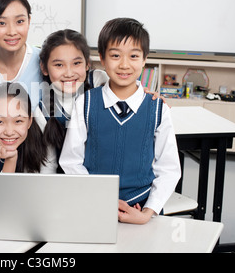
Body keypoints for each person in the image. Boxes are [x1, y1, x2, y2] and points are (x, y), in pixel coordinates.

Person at [59, 18, 181, 225]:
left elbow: (168, 169)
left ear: (144, 60)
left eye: (134, 56)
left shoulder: (158, 109)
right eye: (115, 55)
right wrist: (98, 199)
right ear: (103, 59)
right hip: (93, 205)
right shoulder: (86, 103)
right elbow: (71, 161)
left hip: (139, 206)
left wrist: (147, 213)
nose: (124, 64)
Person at [0, 82, 58, 209]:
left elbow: (47, 187)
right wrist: (11, 159)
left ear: (30, 121)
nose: (9, 132)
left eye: (18, 121)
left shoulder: (43, 130)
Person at [35, 29, 108, 164]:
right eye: (59, 65)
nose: (69, 73)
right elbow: (49, 165)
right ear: (44, 68)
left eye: (76, 63)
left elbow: (125, 93)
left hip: (103, 173)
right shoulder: (42, 110)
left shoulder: (98, 80)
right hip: (67, 179)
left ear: (87, 64)